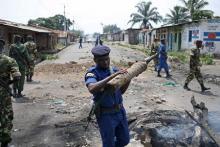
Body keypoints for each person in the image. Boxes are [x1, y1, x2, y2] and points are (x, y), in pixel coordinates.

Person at [85, 45, 130, 147]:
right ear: (95, 60)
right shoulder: (92, 73)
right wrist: (112, 77)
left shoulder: (114, 70)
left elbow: (121, 91)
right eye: (101, 60)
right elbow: (92, 88)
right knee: (108, 143)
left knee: (125, 140)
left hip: (120, 111)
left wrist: (128, 79)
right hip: (106, 115)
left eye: (107, 59)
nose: (105, 62)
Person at [0, 39, 21, 147]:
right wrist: (8, 83)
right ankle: (4, 141)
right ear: (2, 48)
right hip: (3, 93)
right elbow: (17, 76)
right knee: (6, 115)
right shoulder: (9, 60)